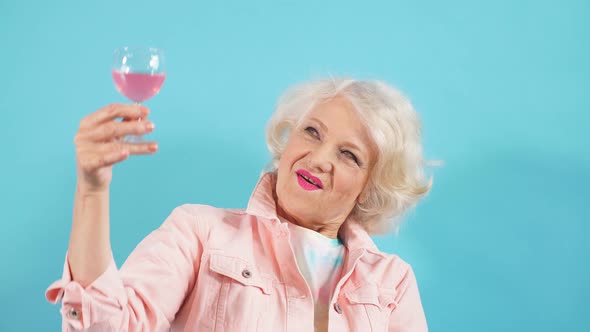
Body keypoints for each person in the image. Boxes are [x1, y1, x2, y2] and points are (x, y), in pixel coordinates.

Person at [46, 78, 433, 331]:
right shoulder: (199, 232)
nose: (319, 158)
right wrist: (93, 190)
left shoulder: (391, 282)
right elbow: (109, 325)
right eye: (312, 132)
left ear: (369, 187)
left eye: (349, 155)